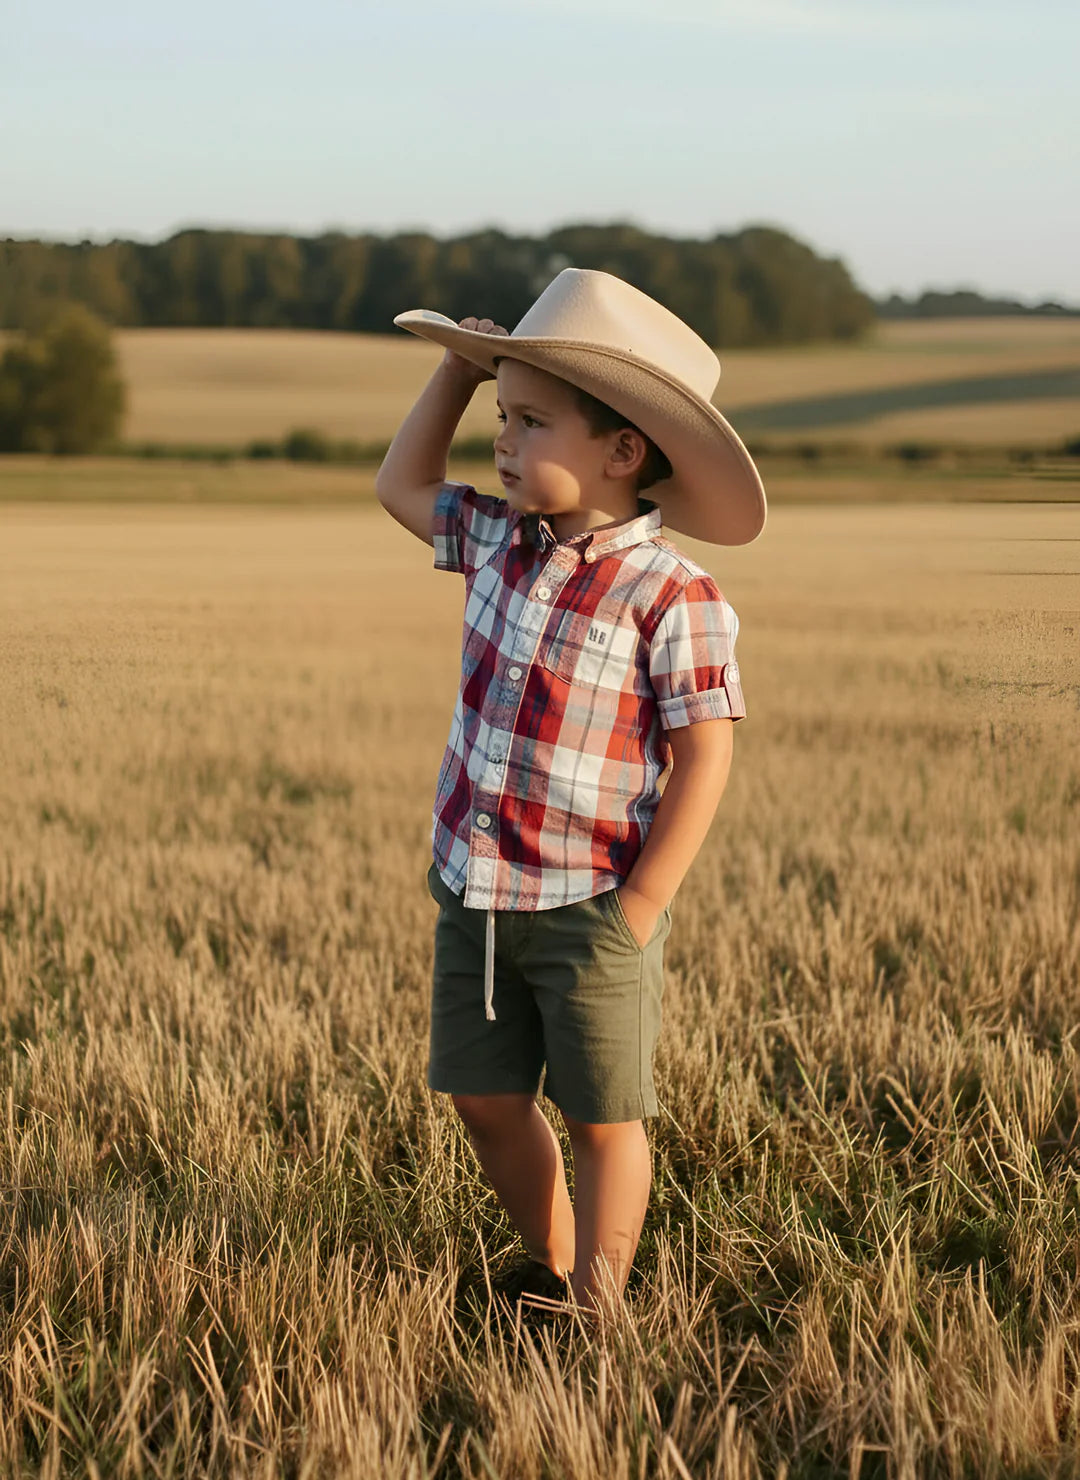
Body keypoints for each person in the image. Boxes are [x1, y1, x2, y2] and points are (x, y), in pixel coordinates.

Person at [375, 268, 766, 1322]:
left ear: (622, 450)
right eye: (501, 416)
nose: (500, 441)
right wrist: (460, 370)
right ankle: (550, 1266)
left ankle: (597, 1305)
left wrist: (641, 906)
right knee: (484, 1098)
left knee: (603, 1120)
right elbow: (399, 486)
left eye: (529, 419)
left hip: (594, 903)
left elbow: (707, 756)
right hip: (476, 893)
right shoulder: (495, 540)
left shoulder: (672, 594)